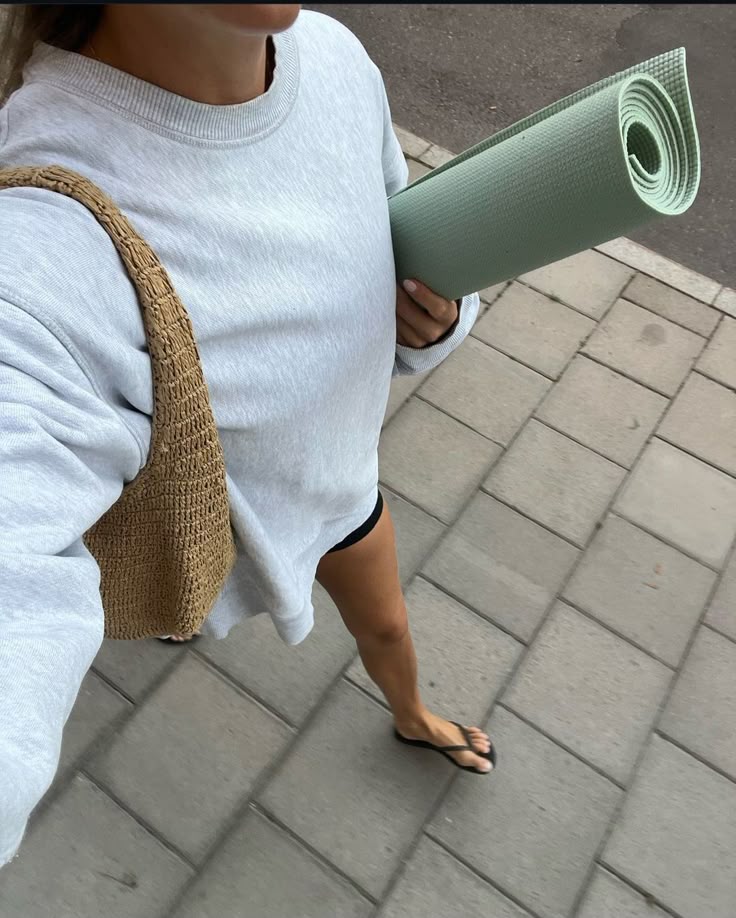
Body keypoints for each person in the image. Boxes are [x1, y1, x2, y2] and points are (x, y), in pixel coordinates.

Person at [0, 3, 494, 866]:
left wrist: (438, 321)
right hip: (212, 530)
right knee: (185, 596)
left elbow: (407, 247)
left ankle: (412, 714)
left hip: (342, 494)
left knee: (385, 630)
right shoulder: (46, 221)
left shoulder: (336, 58)